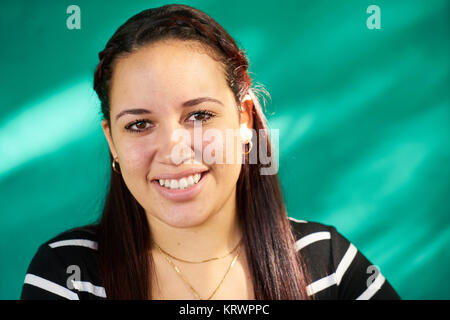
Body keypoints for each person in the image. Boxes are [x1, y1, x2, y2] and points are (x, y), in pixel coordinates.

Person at [20, 4, 400, 300]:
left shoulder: (330, 264)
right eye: (139, 124)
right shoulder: (67, 275)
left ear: (244, 121)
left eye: (199, 115)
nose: (174, 148)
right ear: (112, 142)